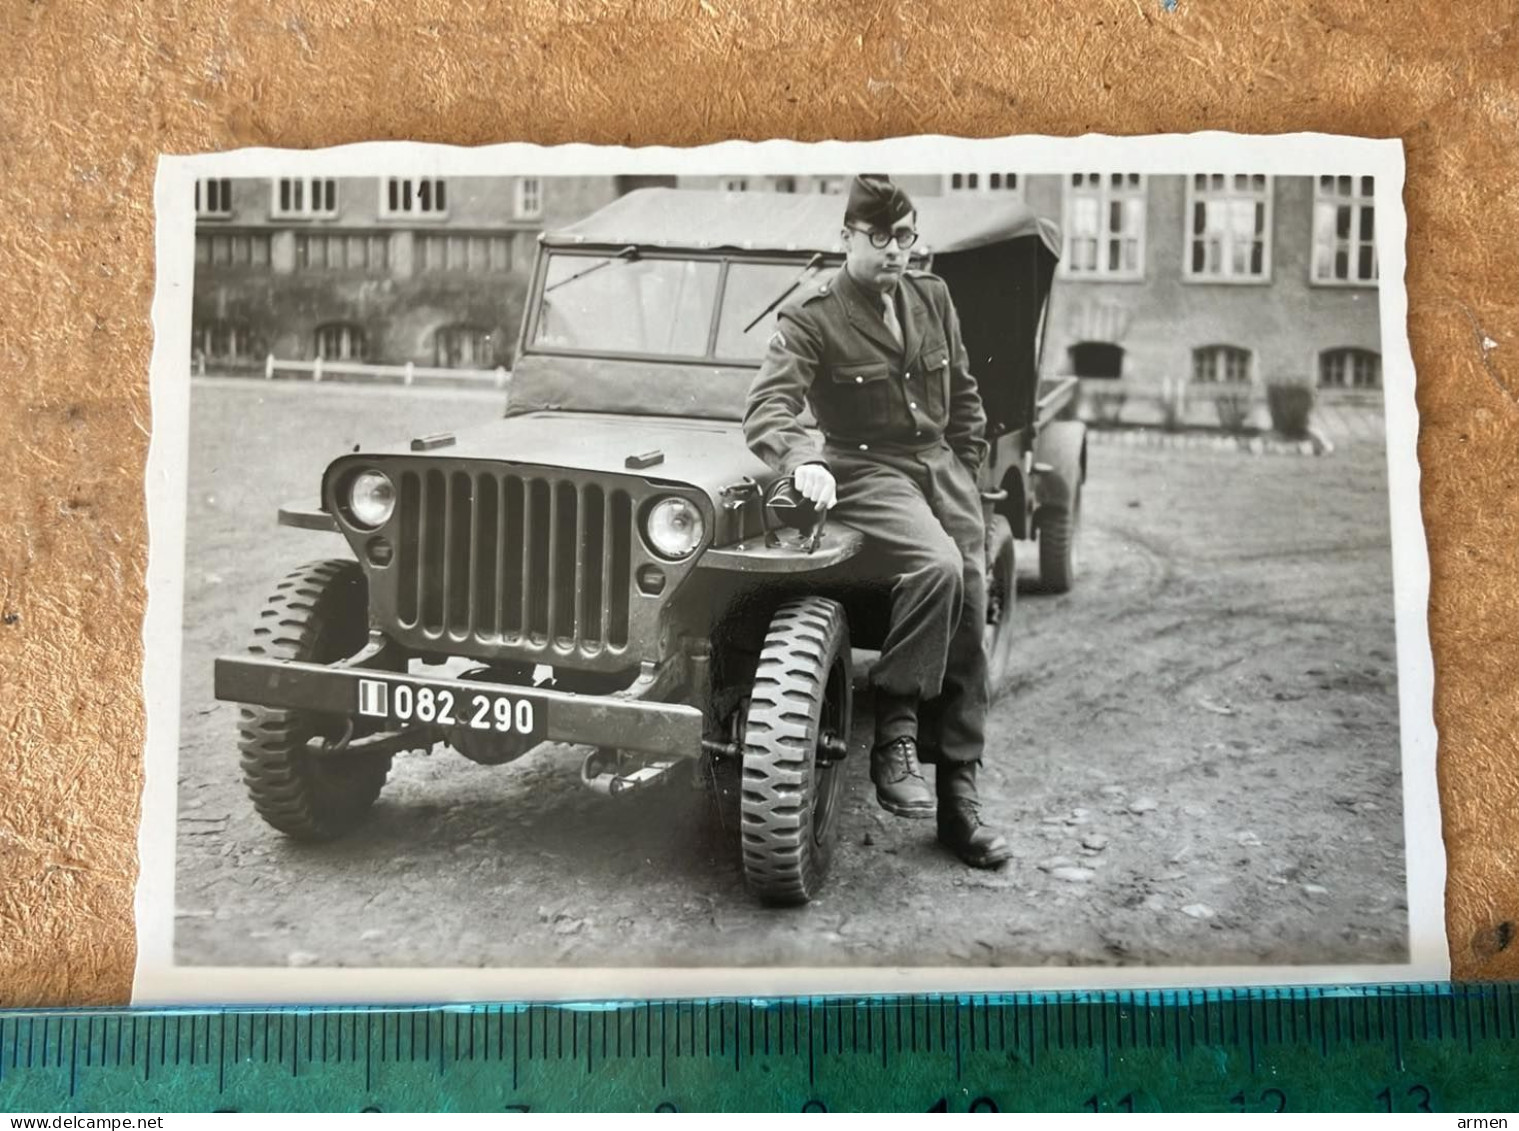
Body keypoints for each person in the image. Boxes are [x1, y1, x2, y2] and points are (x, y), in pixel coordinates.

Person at [743, 174, 1011, 869]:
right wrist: (802, 460)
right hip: (864, 470)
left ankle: (959, 802)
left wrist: (969, 468)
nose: (897, 251)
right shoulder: (814, 313)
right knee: (936, 567)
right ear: (847, 238)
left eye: (907, 236)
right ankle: (893, 730)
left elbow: (965, 396)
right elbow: (768, 407)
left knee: (971, 599)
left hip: (940, 467)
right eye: (882, 237)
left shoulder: (933, 296)